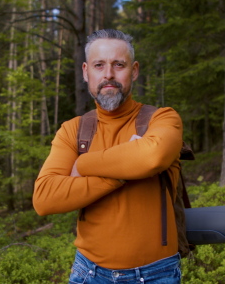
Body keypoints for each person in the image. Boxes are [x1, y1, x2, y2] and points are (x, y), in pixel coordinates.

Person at [32, 29, 184, 283]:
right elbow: (45, 198)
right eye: (99, 65)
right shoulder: (73, 130)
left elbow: (151, 158)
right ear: (85, 72)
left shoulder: (163, 118)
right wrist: (121, 174)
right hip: (89, 273)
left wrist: (83, 163)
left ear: (134, 70)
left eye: (119, 65)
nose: (109, 75)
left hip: (157, 274)